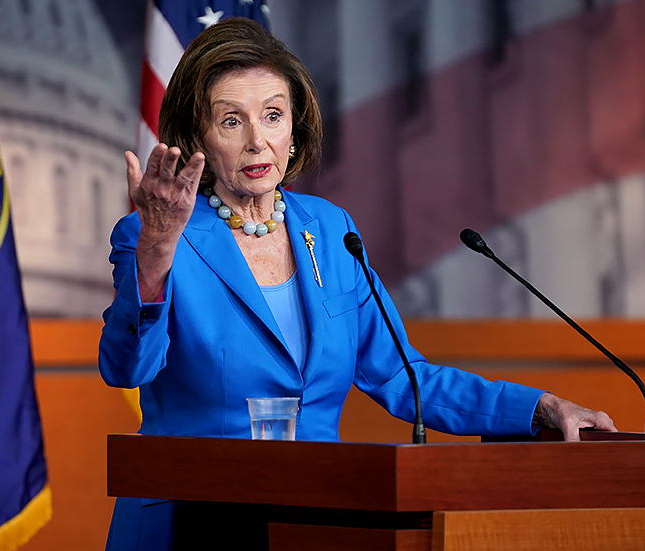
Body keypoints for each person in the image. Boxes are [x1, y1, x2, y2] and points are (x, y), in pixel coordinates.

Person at [98, 17, 615, 550]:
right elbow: (126, 368)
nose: (258, 141)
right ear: (198, 136)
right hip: (194, 521)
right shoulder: (154, 235)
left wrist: (539, 410)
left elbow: (403, 376)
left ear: (294, 130)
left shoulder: (330, 228)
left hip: (317, 518)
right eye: (232, 121)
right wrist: (158, 247)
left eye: (273, 116)